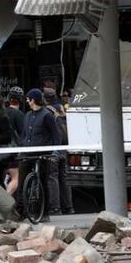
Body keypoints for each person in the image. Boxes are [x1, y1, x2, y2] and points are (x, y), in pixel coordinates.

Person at [21, 89, 62, 221]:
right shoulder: (27, 115)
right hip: (28, 151)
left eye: (28, 99)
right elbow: (24, 134)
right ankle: (21, 210)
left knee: (43, 180)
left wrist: (55, 151)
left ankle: (44, 213)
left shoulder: (46, 115)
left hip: (43, 152)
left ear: (33, 100)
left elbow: (56, 133)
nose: (27, 101)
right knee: (22, 178)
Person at [43, 87, 73, 215]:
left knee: (52, 177)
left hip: (54, 147)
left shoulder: (47, 111)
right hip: (65, 147)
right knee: (64, 177)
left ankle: (55, 207)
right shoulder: (63, 108)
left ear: (44, 99)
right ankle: (69, 207)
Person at [3, 88, 26, 196]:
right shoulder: (19, 114)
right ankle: (5, 201)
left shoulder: (2, 112)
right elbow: (23, 134)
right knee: (16, 178)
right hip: (12, 151)